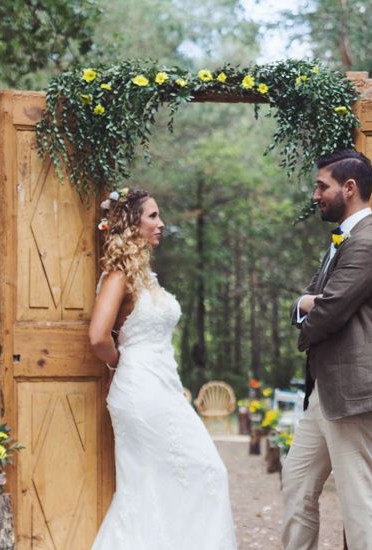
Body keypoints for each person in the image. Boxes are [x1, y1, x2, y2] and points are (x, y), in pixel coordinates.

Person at [88, 187, 237, 550]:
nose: (161, 223)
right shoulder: (118, 276)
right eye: (153, 216)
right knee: (159, 484)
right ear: (131, 223)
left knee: (188, 477)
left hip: (164, 386)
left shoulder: (146, 277)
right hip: (140, 390)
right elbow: (97, 336)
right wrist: (119, 362)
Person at [282, 149, 372, 550]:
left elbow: (328, 309)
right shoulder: (343, 240)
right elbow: (317, 299)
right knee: (296, 486)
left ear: (349, 188)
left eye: (322, 186)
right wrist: (307, 302)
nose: (316, 195)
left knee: (358, 501)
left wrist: (306, 304)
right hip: (323, 392)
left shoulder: (368, 243)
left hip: (355, 391)